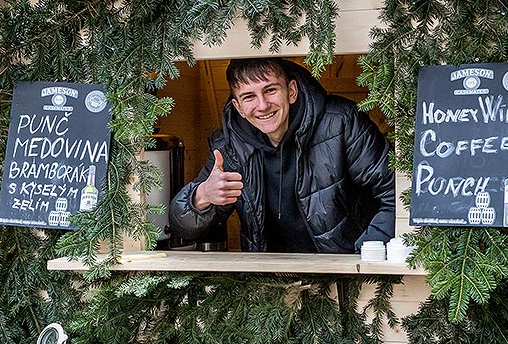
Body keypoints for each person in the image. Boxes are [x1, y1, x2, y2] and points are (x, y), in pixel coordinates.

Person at [169, 58, 396, 253]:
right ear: (238, 107)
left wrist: (366, 256)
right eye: (249, 97)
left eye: (270, 90)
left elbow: (396, 195)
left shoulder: (341, 122)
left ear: (292, 91)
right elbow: (184, 226)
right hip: (270, 283)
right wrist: (202, 196)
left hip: (343, 274)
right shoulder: (229, 146)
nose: (262, 105)